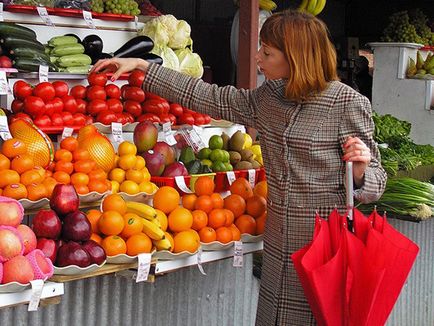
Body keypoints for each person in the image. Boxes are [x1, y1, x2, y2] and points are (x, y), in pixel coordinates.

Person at [92, 9, 387, 326]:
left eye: (268, 52)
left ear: (296, 58)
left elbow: (376, 183)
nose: (258, 57)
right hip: (277, 243)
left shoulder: (346, 103)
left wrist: (359, 172)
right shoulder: (270, 97)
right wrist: (143, 68)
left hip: (324, 246)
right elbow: (208, 96)